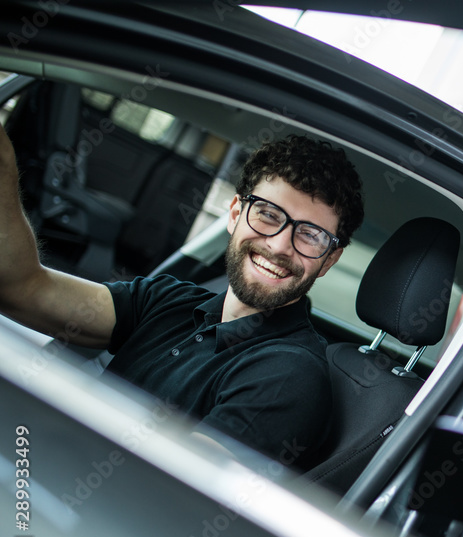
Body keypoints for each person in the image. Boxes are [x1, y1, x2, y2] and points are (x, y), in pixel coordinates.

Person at [0, 126, 364, 471]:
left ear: (330, 259)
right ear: (236, 213)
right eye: (268, 215)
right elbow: (24, 288)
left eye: (310, 235)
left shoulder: (289, 375)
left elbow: (161, 499)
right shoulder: (167, 299)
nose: (279, 245)